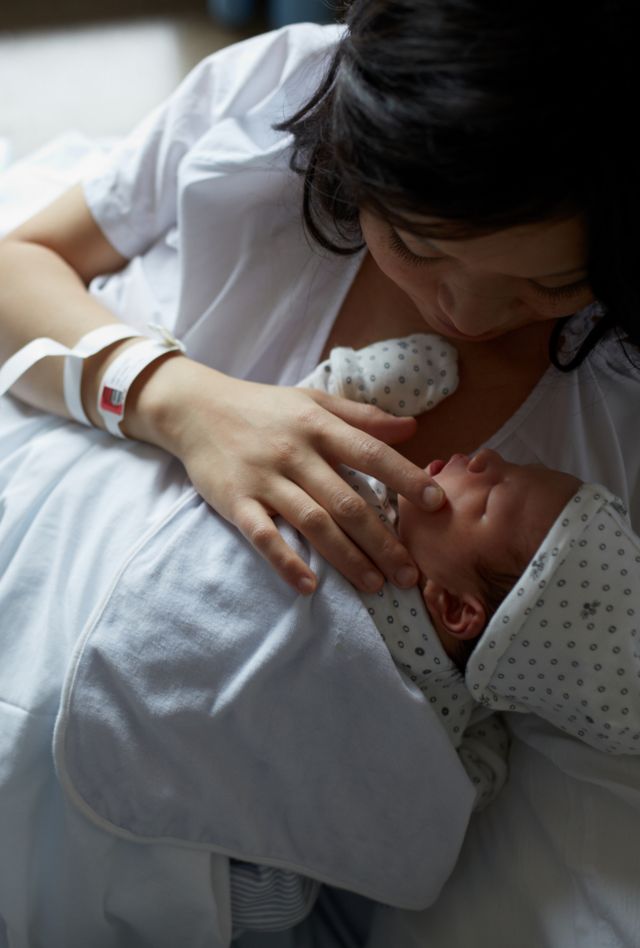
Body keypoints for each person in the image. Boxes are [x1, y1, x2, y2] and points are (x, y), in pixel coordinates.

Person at [0, 0, 638, 945]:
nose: (462, 311)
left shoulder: (609, 419)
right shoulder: (277, 103)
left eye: (548, 284)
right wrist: (180, 400)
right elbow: (21, 260)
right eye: (416, 246)